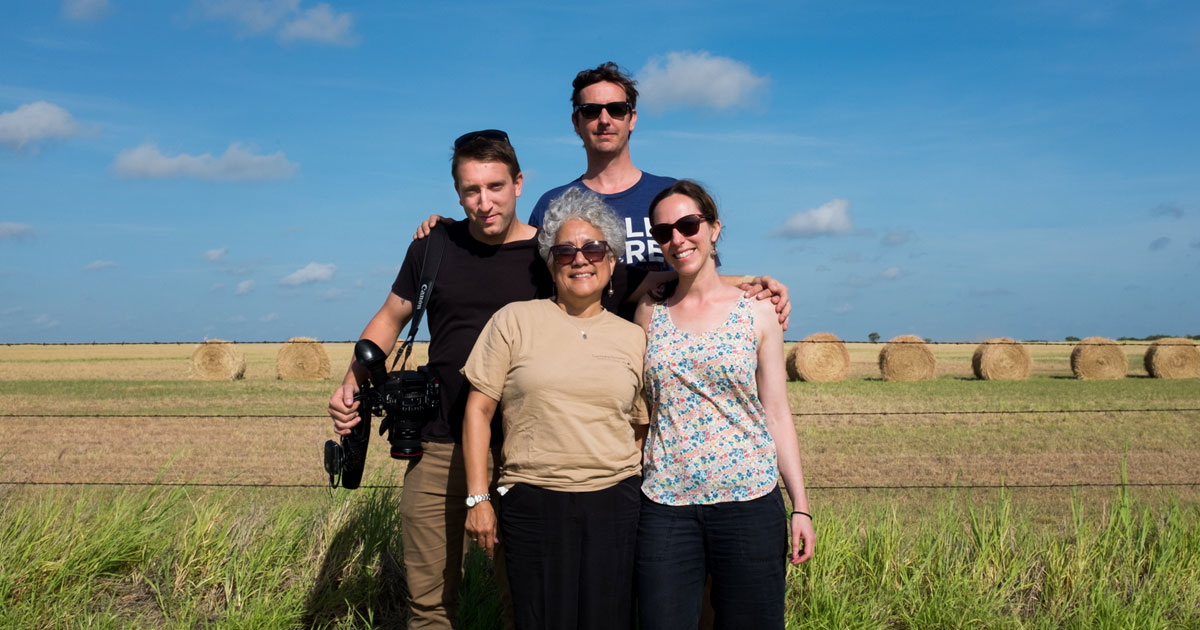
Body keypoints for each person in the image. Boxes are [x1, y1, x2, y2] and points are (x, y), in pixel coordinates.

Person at [327, 129, 542, 630]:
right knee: (428, 605)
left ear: (518, 183)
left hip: (527, 447)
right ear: (456, 192)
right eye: (471, 190)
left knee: (529, 603)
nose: (484, 202)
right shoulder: (434, 246)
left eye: (495, 186)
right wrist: (348, 386)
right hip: (439, 442)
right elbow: (389, 318)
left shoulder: (550, 255)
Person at [634, 180, 816, 630]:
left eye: (688, 224)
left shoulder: (756, 311)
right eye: (663, 232)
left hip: (749, 503)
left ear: (714, 228)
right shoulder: (648, 312)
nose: (677, 239)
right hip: (665, 505)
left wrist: (801, 505)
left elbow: (776, 411)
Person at [461, 187, 646, 630]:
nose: (580, 259)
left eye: (593, 248)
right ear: (550, 263)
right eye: (565, 251)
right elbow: (478, 412)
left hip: (615, 504)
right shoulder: (515, 320)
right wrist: (478, 498)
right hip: (533, 500)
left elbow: (641, 424)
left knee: (609, 620)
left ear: (612, 259)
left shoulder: (635, 337)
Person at [528, 61, 675, 272]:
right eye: (591, 111)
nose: (604, 120)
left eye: (616, 109)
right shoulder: (551, 205)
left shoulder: (672, 196)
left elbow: (704, 281)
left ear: (631, 119)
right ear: (576, 122)